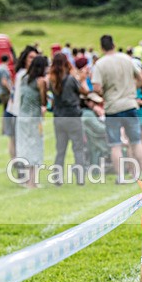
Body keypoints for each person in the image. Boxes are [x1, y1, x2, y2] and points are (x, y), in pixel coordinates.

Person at [91, 34, 142, 183]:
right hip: (129, 104)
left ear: (102, 47)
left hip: (112, 107)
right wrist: (131, 89)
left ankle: (120, 176)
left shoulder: (100, 64)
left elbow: (96, 87)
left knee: (115, 144)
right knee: (136, 141)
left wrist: (105, 93)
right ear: (114, 45)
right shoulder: (127, 59)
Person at [49, 52, 88, 185]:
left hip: (59, 116)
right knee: (78, 148)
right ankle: (80, 177)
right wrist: (81, 78)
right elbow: (83, 92)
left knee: (60, 150)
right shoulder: (70, 79)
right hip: (72, 116)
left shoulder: (52, 80)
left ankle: (57, 178)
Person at [16, 55, 48, 189]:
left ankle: (26, 179)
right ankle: (32, 182)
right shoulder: (41, 81)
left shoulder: (24, 79)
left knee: (24, 146)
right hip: (34, 118)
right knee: (35, 147)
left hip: (22, 117)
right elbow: (44, 101)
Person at [6, 46, 38, 160]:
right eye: (30, 57)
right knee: (16, 140)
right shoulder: (23, 75)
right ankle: (17, 163)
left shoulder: (25, 74)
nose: (32, 60)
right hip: (16, 112)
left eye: (35, 58)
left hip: (18, 111)